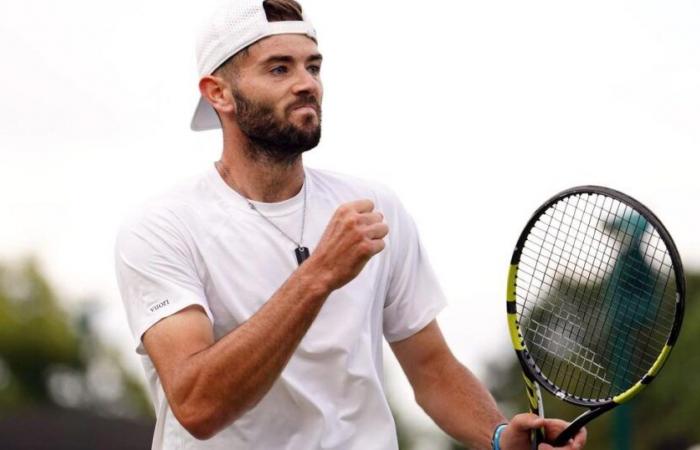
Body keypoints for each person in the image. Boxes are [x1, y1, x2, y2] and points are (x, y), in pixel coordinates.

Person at [114, 1, 588, 449]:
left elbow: (431, 368)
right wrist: (319, 274)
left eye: (313, 67)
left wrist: (500, 435)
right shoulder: (162, 227)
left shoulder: (373, 206)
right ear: (218, 93)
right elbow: (197, 405)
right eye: (279, 68)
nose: (307, 84)